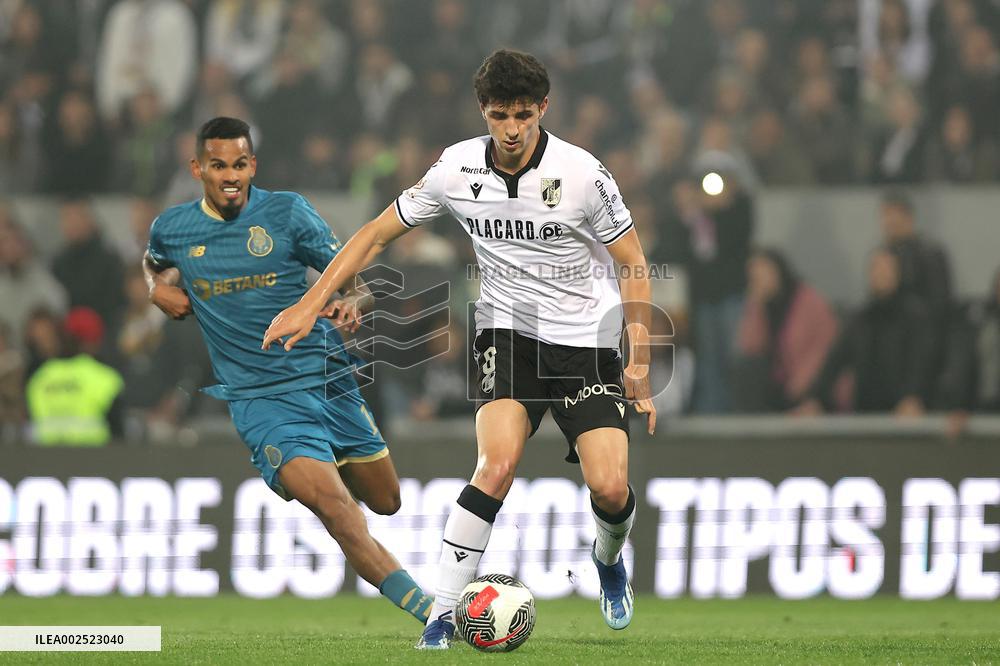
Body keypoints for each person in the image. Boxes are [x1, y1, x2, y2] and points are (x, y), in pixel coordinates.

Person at [263, 49, 656, 649]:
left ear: (544, 108)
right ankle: (442, 616)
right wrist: (311, 302)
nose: (512, 129)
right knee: (494, 467)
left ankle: (607, 559)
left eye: (523, 114)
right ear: (483, 111)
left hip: (585, 342)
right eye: (500, 115)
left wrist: (639, 360)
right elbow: (375, 235)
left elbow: (633, 262)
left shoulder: (583, 175)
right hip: (507, 334)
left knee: (609, 487)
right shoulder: (456, 167)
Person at [143, 117, 432, 624]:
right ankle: (437, 614)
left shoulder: (288, 213)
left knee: (386, 501)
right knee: (338, 510)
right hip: (261, 401)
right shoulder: (173, 229)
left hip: (327, 380)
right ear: (197, 169)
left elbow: (357, 282)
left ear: (252, 165)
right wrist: (155, 287)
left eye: (239, 164)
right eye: (218, 166)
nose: (230, 176)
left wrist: (351, 302)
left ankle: (327, 469)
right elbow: (153, 261)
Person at [794, 249, 933, 416]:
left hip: (905, 415)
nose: (881, 274)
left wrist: (913, 397)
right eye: (876, 268)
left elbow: (921, 363)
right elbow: (834, 362)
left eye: (887, 268)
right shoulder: (861, 320)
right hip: (865, 414)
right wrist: (814, 399)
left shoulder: (915, 317)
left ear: (899, 273)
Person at [735, 249, 838, 411]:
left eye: (764, 273)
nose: (760, 280)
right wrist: (755, 305)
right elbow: (749, 347)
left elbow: (825, 349)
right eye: (754, 277)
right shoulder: (762, 306)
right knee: (746, 369)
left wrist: (799, 385)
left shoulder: (808, 300)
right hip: (778, 383)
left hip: (812, 384)